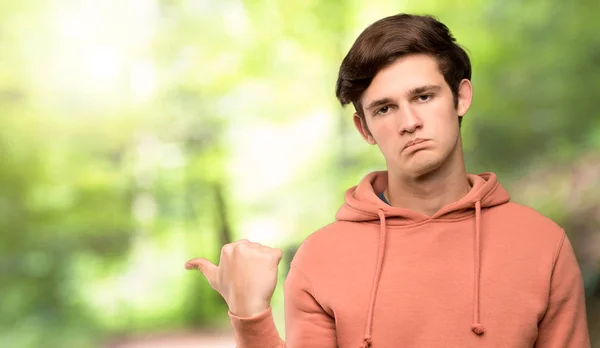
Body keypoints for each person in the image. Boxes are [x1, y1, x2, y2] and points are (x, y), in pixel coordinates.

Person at [184, 13, 591, 347]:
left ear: (461, 97)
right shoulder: (319, 260)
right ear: (364, 129)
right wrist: (251, 317)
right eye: (384, 109)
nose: (409, 122)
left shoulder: (543, 246)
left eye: (424, 96)